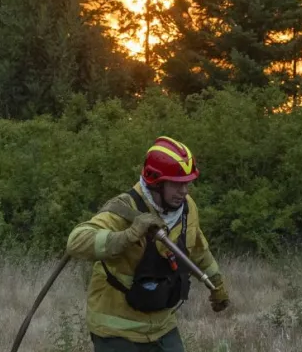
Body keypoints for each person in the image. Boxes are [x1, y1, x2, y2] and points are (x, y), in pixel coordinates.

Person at [66, 136, 230, 352]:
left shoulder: (187, 208)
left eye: (187, 183)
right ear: (156, 182)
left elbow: (198, 250)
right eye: (176, 184)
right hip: (116, 330)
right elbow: (76, 241)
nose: (184, 191)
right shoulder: (125, 208)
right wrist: (128, 235)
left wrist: (217, 286)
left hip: (162, 325)